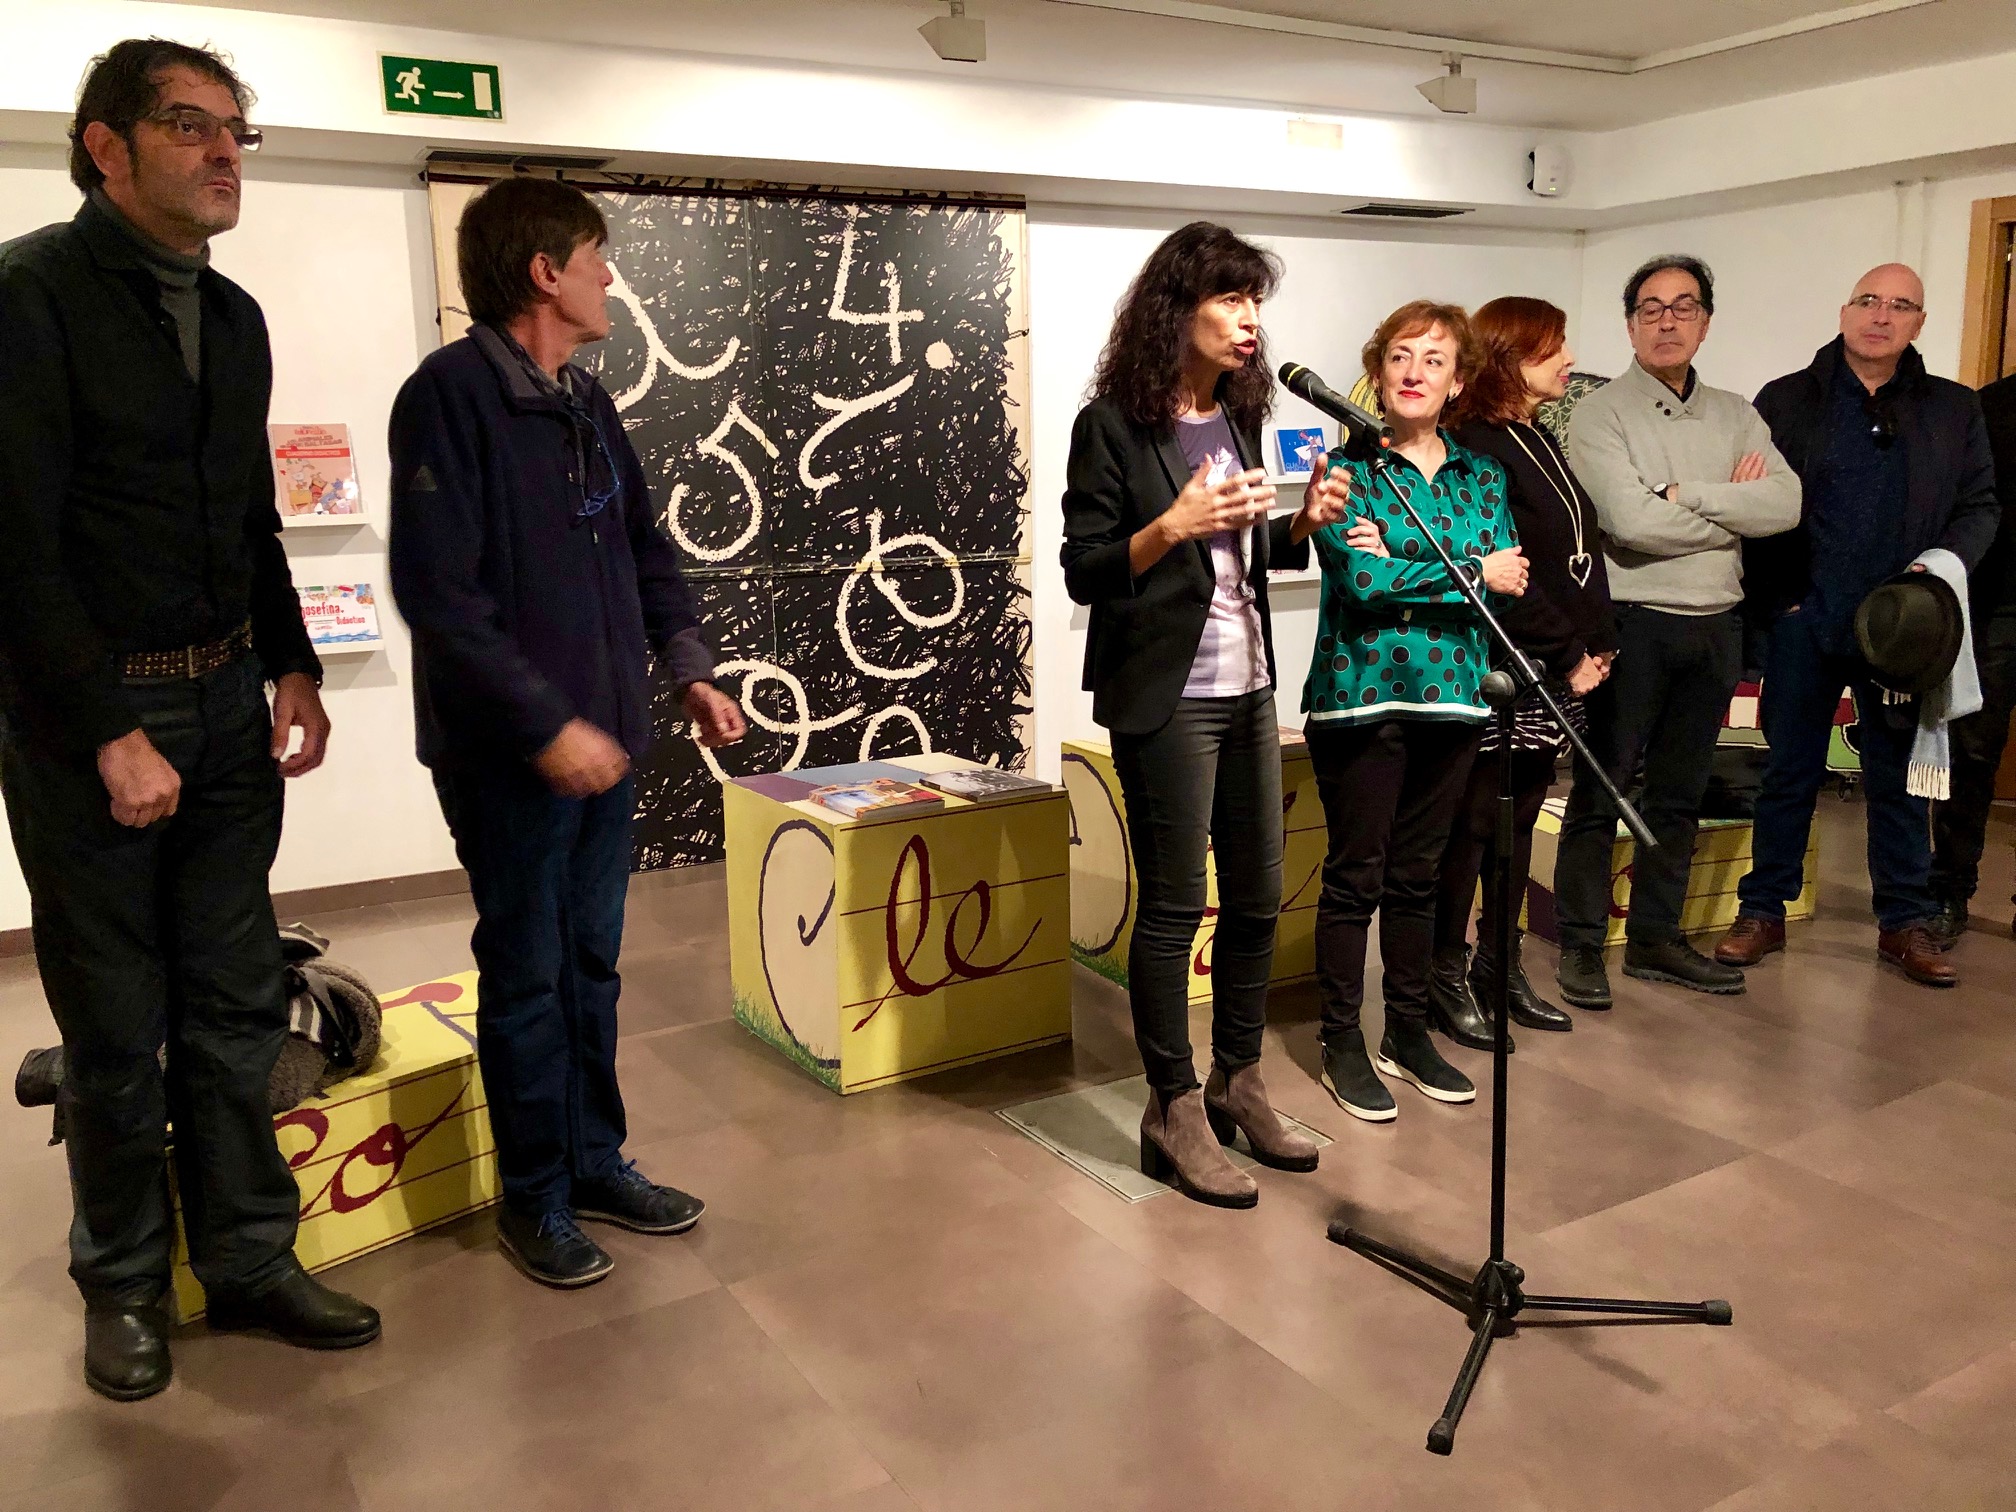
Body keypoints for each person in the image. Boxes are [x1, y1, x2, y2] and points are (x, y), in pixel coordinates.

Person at [0, 40, 380, 1402]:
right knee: (115, 1025)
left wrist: (292, 666)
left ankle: (248, 1257)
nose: (225, 152)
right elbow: (14, 547)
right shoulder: (30, 295)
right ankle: (121, 1284)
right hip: (93, 713)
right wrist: (107, 727)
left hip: (226, 699)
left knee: (233, 1002)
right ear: (105, 147)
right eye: (189, 125)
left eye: (235, 131)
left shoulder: (234, 315)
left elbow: (245, 519)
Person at [388, 178, 748, 1286]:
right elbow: (439, 595)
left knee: (591, 966)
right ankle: (534, 1197)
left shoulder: (587, 402)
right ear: (546, 273)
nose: (609, 276)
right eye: (596, 257)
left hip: (605, 750)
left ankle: (595, 1163)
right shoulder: (448, 396)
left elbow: (645, 550)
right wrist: (546, 726)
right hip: (511, 760)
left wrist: (689, 669)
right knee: (529, 975)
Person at [1061, 222, 1349, 1206]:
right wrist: (1170, 525)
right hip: (1167, 697)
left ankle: (1239, 1080)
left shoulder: (1238, 415)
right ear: (1175, 311)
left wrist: (1300, 526)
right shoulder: (1112, 426)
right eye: (1230, 298)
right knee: (1178, 904)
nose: (1248, 318)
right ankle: (1173, 1105)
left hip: (1251, 686)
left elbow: (1242, 563)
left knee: (1260, 897)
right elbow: (1086, 568)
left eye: (1254, 300)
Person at [1715, 265, 1999, 985]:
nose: (1881, 316)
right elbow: (1752, 501)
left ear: (1919, 322)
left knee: (1898, 781)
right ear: (1845, 312)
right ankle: (1762, 910)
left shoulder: (1953, 408)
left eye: (1900, 306)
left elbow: (1980, 507)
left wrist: (1939, 570)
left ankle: (1905, 921)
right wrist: (1779, 603)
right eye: (1869, 301)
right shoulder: (1785, 399)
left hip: (1902, 627)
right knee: (1788, 772)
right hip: (1804, 616)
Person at [1301, 300, 1529, 1123]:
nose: (1414, 372)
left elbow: (1510, 582)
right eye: (1400, 355)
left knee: (1419, 878)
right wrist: (1471, 571)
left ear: (1457, 382)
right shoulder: (1346, 470)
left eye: (1434, 360)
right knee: (1355, 876)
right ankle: (1340, 1040)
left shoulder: (1483, 476)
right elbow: (1363, 585)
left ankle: (1405, 1031)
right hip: (1360, 699)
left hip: (1457, 700)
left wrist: (1413, 567)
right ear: (1377, 370)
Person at [1554, 256, 1800, 1009]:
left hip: (1717, 624)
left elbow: (1785, 504)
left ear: (1705, 322)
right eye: (1652, 309)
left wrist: (1682, 493)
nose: (1668, 322)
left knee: (1681, 794)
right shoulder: (1599, 413)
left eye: (1684, 307)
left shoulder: (1736, 413)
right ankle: (1581, 945)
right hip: (1633, 624)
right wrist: (1732, 510)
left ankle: (1656, 938)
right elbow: (1629, 523)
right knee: (1602, 791)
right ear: (1631, 325)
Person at [1432, 297, 1616, 1051]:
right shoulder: (1476, 446)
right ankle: (1445, 975)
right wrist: (1570, 652)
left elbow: (1575, 551)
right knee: (1474, 827)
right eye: (1554, 347)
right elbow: (1505, 574)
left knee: (1515, 826)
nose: (1569, 360)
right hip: (1508, 666)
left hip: (1558, 666)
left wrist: (1596, 643)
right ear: (1509, 357)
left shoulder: (1534, 433)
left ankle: (1498, 968)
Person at [1928, 370, 2016, 938]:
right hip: (1994, 603)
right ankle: (1948, 891)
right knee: (1971, 754)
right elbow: (1961, 502)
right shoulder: (1989, 406)